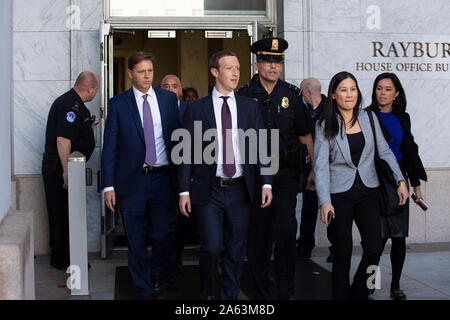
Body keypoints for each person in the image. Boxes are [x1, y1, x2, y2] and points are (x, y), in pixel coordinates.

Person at [178, 50, 273, 300]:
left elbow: (263, 146)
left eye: (238, 68)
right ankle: (207, 293)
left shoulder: (249, 108)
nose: (235, 73)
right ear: (214, 72)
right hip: (209, 190)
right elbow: (185, 152)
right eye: (229, 68)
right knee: (211, 247)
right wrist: (183, 190)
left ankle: (229, 297)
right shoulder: (196, 108)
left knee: (235, 249)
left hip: (241, 190)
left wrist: (266, 183)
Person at [314, 71, 409, 300]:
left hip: (369, 191)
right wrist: (324, 201)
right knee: (343, 253)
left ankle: (359, 293)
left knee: (374, 249)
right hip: (339, 195)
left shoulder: (369, 118)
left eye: (353, 89)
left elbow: (385, 153)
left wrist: (401, 180)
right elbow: (320, 166)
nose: (350, 94)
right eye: (344, 90)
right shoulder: (324, 124)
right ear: (334, 95)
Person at [237, 37, 314, 300]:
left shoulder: (292, 96)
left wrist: (312, 170)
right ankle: (260, 287)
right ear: (257, 64)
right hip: (255, 176)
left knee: (286, 229)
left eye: (278, 61)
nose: (273, 66)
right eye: (268, 61)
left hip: (285, 174)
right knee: (258, 234)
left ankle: (285, 287)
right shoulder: (244, 95)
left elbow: (305, 135)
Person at [101, 51, 180, 300]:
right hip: (132, 181)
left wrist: (184, 180)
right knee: (135, 238)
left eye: (150, 71)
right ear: (130, 73)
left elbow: (177, 140)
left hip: (163, 179)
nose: (147, 76)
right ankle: (144, 288)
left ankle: (156, 275)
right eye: (141, 71)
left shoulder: (168, 99)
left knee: (162, 234)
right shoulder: (118, 104)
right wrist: (108, 186)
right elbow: (110, 147)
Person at [368, 72, 427, 300]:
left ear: (396, 93)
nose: (382, 93)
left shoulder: (403, 117)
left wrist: (415, 184)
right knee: (374, 240)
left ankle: (395, 286)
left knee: (399, 238)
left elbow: (410, 151)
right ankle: (370, 283)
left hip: (399, 181)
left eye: (388, 89)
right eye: (379, 88)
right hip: (374, 181)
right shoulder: (367, 116)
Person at [42, 71, 100, 270]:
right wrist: (66, 172)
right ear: (90, 88)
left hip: (67, 169)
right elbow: (63, 140)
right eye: (96, 89)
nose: (95, 93)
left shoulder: (76, 104)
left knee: (68, 214)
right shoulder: (70, 106)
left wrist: (89, 125)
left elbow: (75, 132)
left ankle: (68, 257)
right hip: (61, 170)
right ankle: (62, 260)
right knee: (62, 215)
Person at [297, 78, 336, 260]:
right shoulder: (304, 110)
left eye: (302, 93)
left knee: (334, 208)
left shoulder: (331, 109)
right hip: (311, 168)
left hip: (332, 169)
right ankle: (305, 247)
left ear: (308, 92)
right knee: (309, 207)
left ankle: (336, 248)